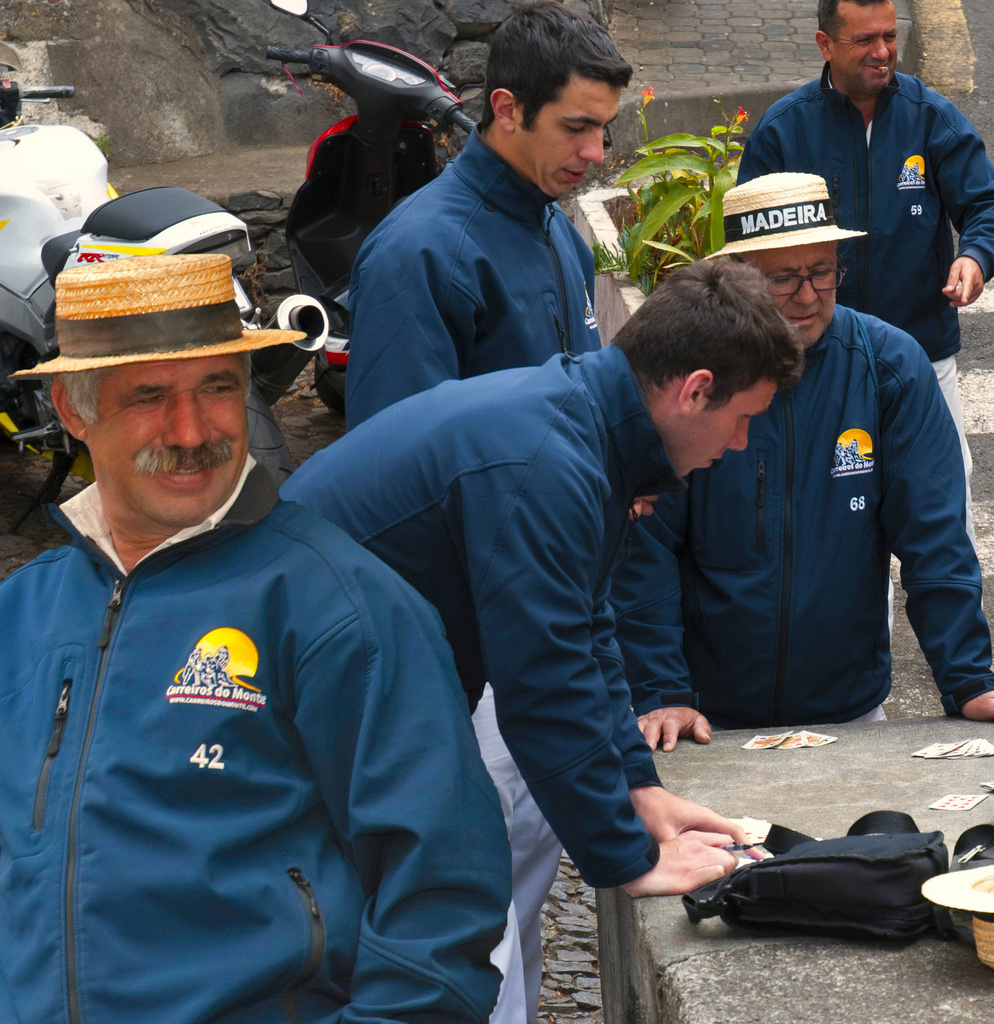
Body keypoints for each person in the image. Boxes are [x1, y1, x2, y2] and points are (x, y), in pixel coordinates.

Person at [0, 255, 511, 1023]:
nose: (192, 430)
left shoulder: (341, 606)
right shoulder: (22, 612)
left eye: (219, 387)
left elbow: (443, 898)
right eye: (149, 396)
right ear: (75, 414)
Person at [284, 260, 801, 1018]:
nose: (741, 442)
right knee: (374, 935)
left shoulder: (582, 425)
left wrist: (636, 788)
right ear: (693, 389)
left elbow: (587, 622)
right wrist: (628, 859)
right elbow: (543, 683)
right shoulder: (548, 462)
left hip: (369, 684)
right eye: (742, 417)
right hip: (307, 706)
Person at [612, 174, 994, 747]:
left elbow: (935, 535)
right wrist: (662, 691)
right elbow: (646, 548)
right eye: (782, 278)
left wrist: (966, 678)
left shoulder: (891, 368)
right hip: (702, 718)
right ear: (738, 277)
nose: (808, 295)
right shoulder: (689, 382)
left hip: (849, 713)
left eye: (822, 271)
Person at [737, 0, 994, 526]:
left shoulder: (932, 118)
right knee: (840, 523)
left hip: (923, 350)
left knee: (946, 508)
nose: (883, 51)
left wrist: (975, 257)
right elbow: (747, 250)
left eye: (889, 35)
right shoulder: (781, 132)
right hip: (815, 359)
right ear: (825, 45)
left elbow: (987, 204)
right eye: (865, 39)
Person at [342, 0, 630, 425]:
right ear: (507, 110)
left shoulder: (557, 228)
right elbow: (394, 467)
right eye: (575, 127)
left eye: (604, 128)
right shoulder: (416, 257)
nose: (596, 153)